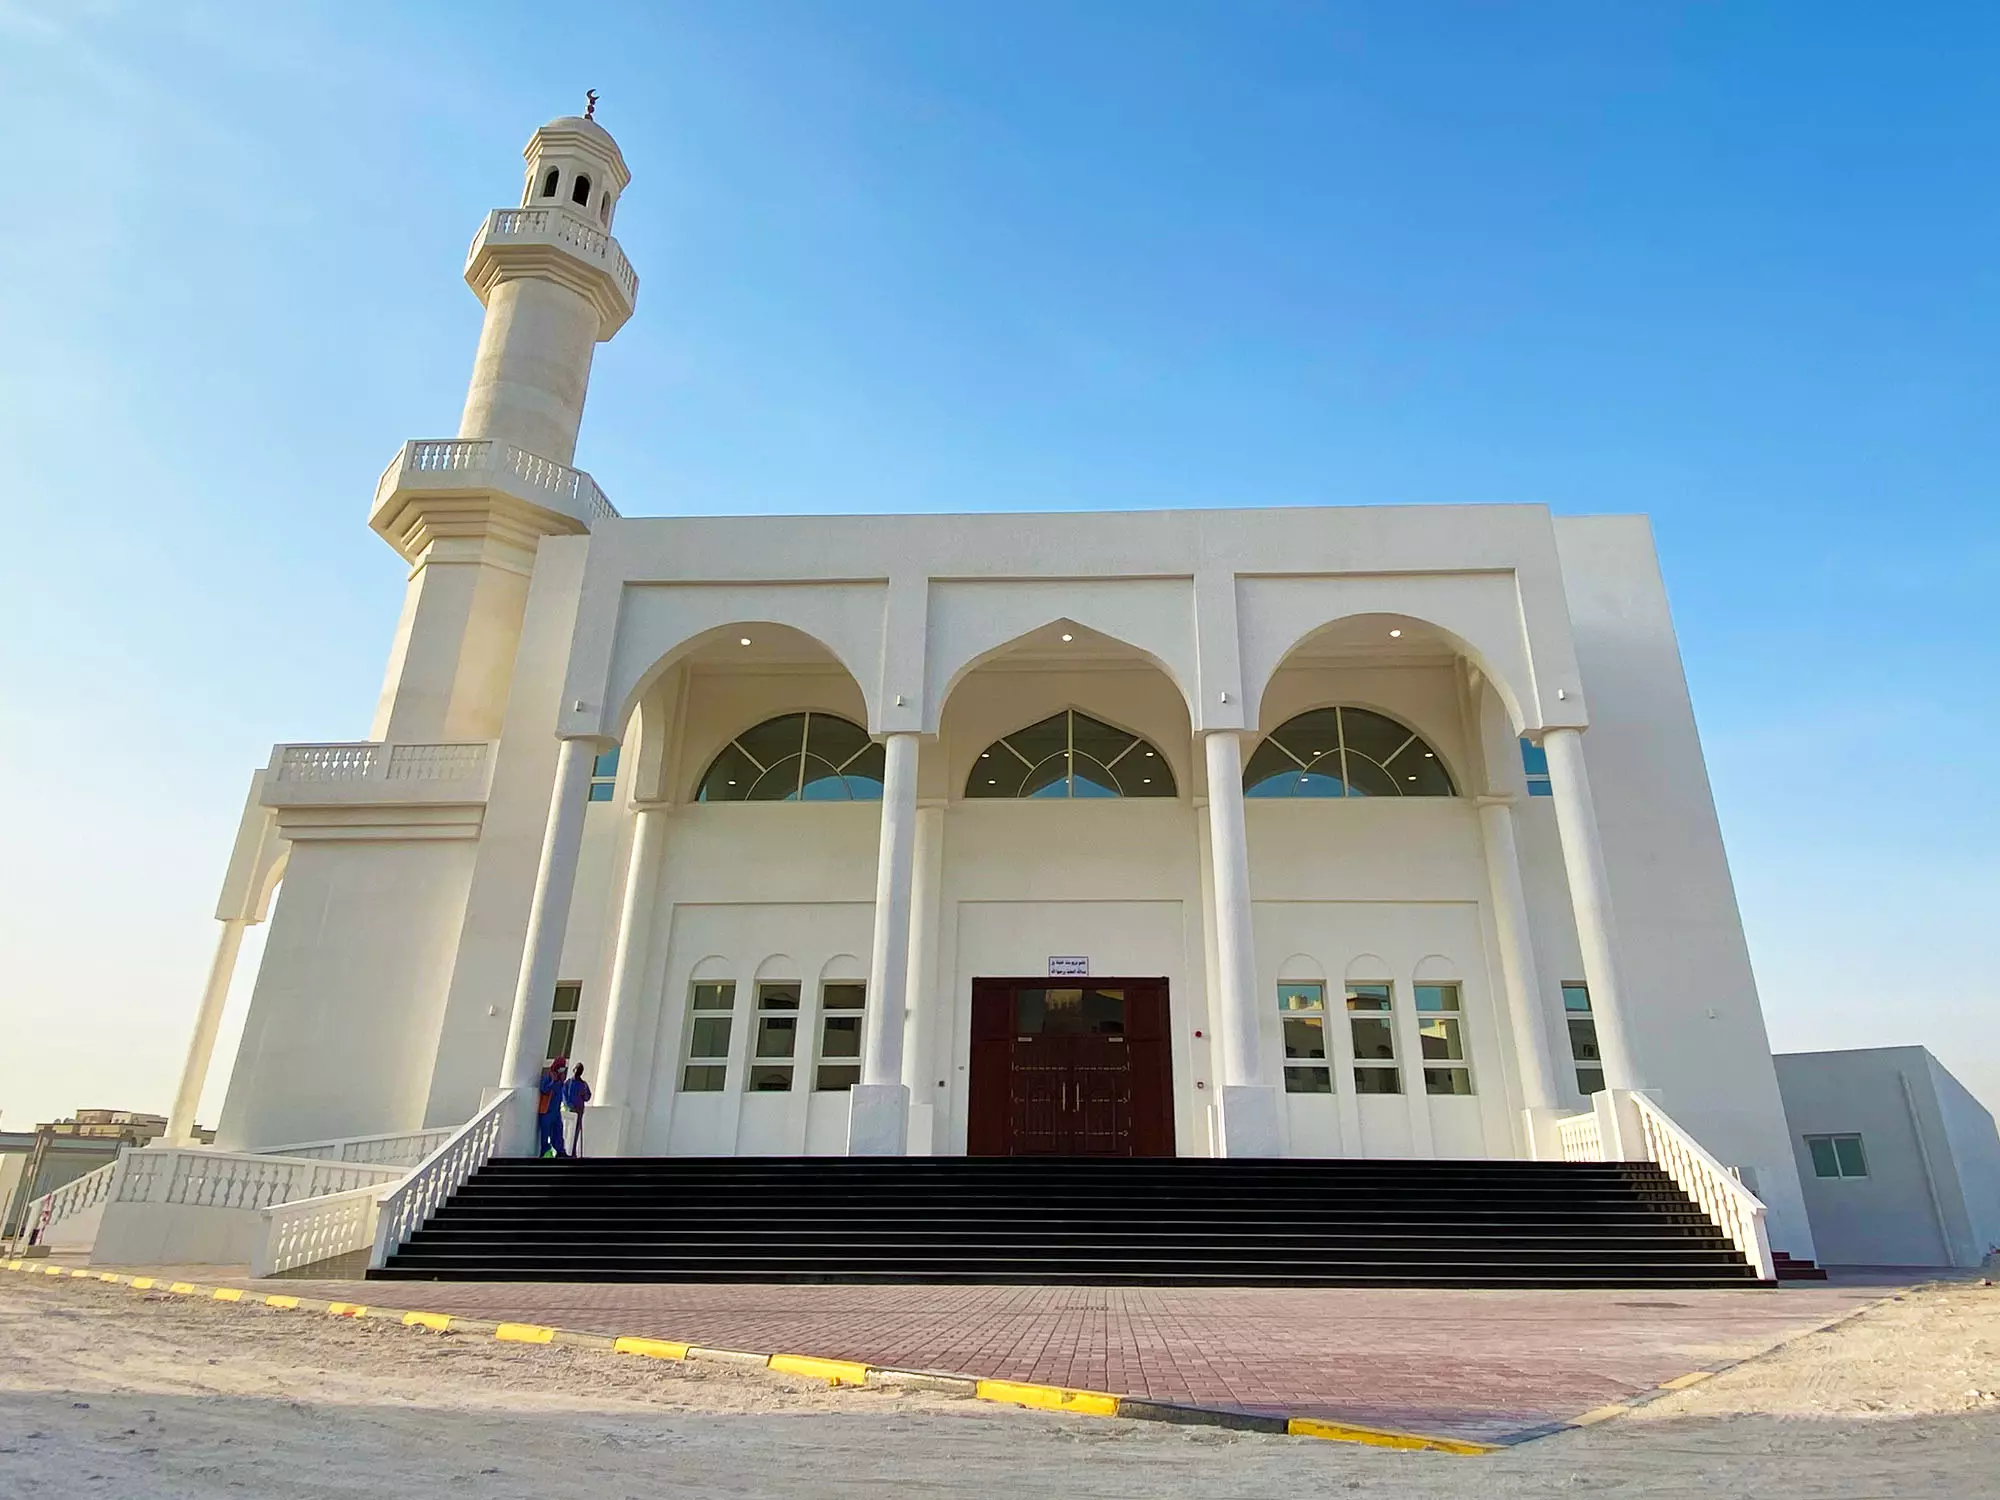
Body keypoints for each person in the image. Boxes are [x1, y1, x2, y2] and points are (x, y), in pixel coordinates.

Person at [536, 1056, 569, 1158]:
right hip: (546, 1110)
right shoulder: (548, 1075)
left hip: (556, 1111)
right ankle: (545, 1153)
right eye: (561, 1066)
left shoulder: (560, 1078)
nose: (562, 1068)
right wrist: (552, 1082)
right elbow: (544, 1089)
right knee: (545, 1134)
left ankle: (560, 1151)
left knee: (558, 1131)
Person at [563, 1062, 593, 1157]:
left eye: (580, 1070)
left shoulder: (583, 1084)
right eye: (577, 1069)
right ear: (574, 1070)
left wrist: (584, 1095)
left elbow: (588, 1096)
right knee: (567, 1130)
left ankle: (573, 1152)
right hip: (570, 1111)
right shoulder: (568, 1083)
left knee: (576, 1132)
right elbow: (564, 1097)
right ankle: (564, 1150)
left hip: (579, 1111)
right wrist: (570, 1106)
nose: (577, 1072)